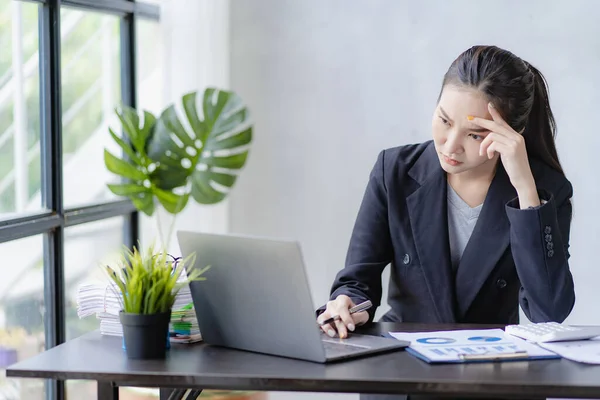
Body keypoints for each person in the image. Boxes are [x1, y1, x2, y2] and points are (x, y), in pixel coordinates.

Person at [316, 45, 575, 345]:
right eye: (444, 121)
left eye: (475, 134)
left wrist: (526, 192)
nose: (451, 146)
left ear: (511, 134)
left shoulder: (544, 190)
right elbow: (358, 279)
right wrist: (348, 304)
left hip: (493, 367)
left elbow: (549, 311)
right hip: (401, 362)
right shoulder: (395, 171)